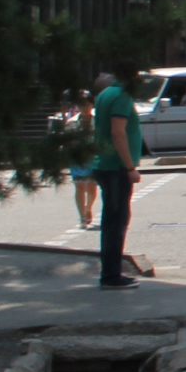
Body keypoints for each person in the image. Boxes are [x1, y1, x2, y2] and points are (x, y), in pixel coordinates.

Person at [89, 68, 143, 288]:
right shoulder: (122, 96)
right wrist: (130, 167)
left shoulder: (105, 93)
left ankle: (111, 272)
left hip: (104, 164)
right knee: (117, 222)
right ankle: (111, 276)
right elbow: (117, 132)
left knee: (111, 220)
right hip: (116, 167)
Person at [62, 93, 97, 229]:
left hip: (93, 157)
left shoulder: (97, 121)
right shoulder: (72, 122)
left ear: (91, 105)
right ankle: (82, 215)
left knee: (91, 186)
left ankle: (88, 208)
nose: (85, 108)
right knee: (79, 186)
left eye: (87, 105)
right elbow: (67, 140)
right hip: (77, 157)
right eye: (82, 105)